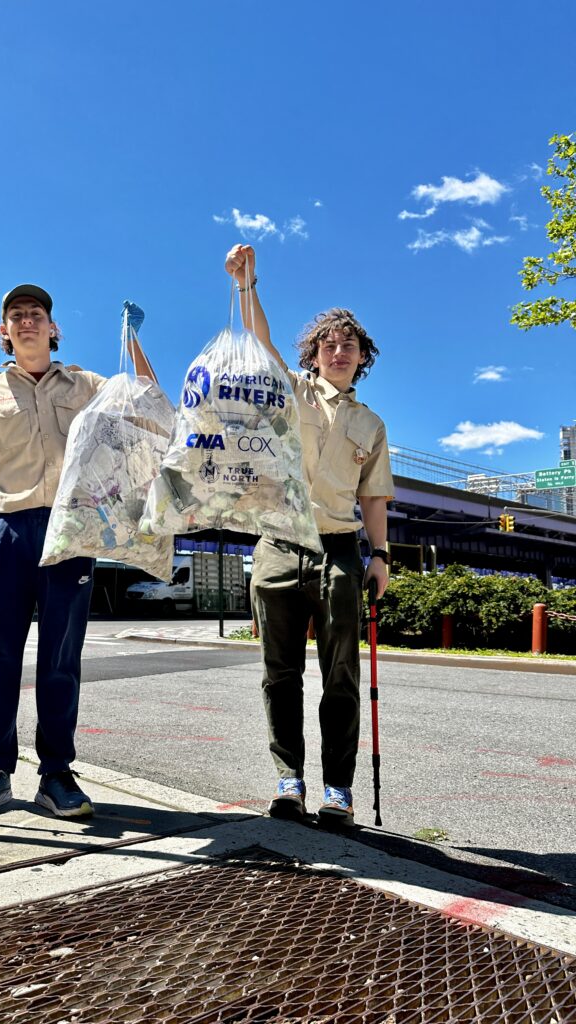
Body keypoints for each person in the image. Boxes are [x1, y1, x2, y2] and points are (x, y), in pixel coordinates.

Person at [0, 285, 151, 819]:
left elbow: (144, 399)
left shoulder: (87, 384)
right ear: (5, 332)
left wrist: (132, 343)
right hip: (6, 530)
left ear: (52, 328)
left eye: (36, 314)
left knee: (61, 658)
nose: (26, 321)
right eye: (16, 316)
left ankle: (57, 775)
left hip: (72, 530)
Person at [224, 244, 394, 825]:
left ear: (361, 358)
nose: (339, 351)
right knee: (280, 674)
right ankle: (288, 779)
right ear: (314, 355)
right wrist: (248, 283)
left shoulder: (371, 424)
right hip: (277, 545)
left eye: (349, 345)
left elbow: (373, 497)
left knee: (341, 676)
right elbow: (259, 340)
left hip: (341, 550)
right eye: (329, 344)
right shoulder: (289, 390)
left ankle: (337, 790)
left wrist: (382, 557)